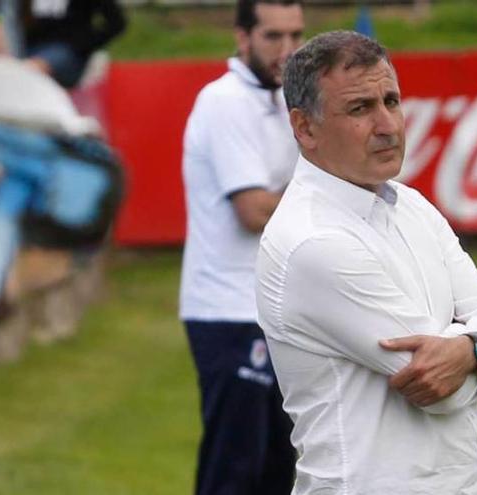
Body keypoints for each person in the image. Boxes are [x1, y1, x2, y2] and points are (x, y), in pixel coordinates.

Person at [256, 30, 477, 495]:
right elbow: (440, 390)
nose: (388, 124)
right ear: (304, 127)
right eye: (360, 108)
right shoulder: (311, 241)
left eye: (391, 100)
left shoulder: (410, 205)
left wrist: (470, 350)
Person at [179, 1, 304, 494]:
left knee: (280, 470)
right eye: (273, 36)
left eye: (296, 36)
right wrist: (329, 204)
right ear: (242, 37)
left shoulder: (281, 98)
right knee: (235, 472)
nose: (288, 51)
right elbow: (253, 211)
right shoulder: (225, 100)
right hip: (228, 311)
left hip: (275, 309)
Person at [9, 0, 127, 89]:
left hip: (67, 53)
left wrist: (82, 46)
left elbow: (116, 23)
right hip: (24, 48)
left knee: (29, 69)